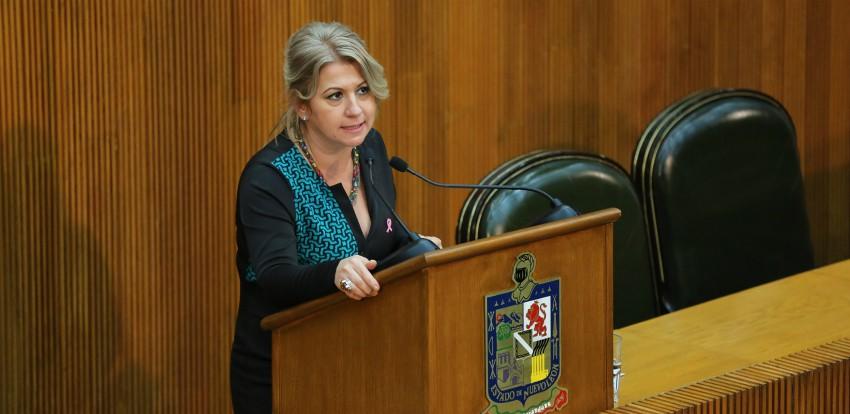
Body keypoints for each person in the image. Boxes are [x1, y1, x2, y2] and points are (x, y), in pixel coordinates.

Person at [229, 21, 441, 413]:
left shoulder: (370, 149)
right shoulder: (269, 179)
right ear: (302, 105)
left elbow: (374, 247)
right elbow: (276, 277)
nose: (355, 109)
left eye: (362, 90)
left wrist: (417, 252)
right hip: (287, 373)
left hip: (361, 365)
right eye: (335, 96)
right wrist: (334, 273)